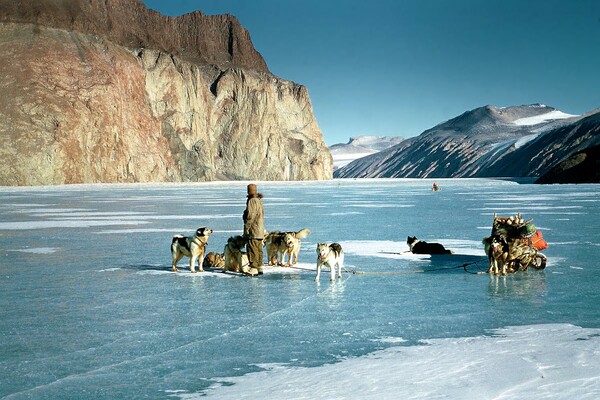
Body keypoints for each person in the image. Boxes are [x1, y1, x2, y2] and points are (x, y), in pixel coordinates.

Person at [243, 183, 265, 275]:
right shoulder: (259, 201)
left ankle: (253, 268)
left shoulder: (252, 201)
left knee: (252, 249)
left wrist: (247, 228)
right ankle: (259, 267)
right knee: (259, 249)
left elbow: (250, 216)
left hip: (254, 230)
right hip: (260, 229)